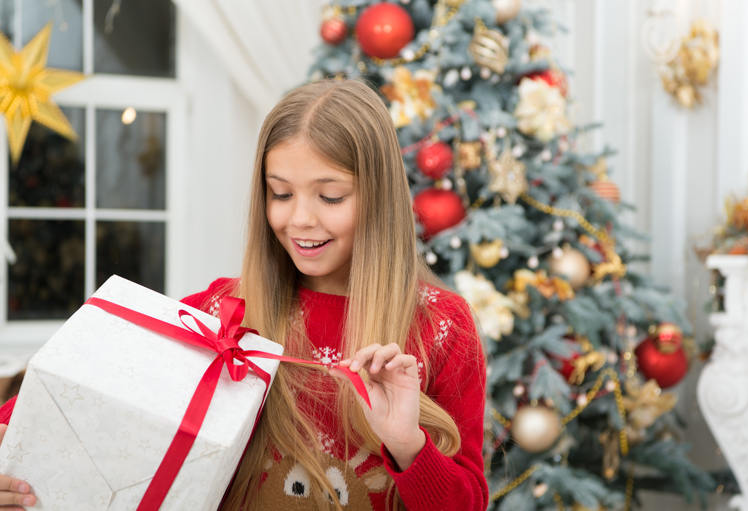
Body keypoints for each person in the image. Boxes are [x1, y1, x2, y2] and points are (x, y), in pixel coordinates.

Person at [0, 79, 488, 510]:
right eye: (280, 193)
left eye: (330, 196)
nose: (299, 219)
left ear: (378, 197)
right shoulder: (222, 314)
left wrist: (407, 444)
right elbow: (65, 392)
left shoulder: (442, 326)